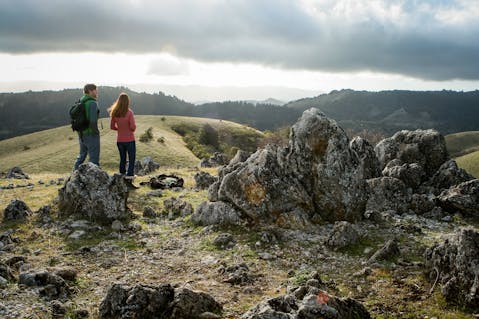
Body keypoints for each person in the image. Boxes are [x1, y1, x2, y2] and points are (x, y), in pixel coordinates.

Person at [108, 92, 137, 181]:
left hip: (120, 140)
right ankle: (130, 175)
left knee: (122, 158)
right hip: (130, 140)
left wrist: (120, 129)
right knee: (131, 158)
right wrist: (131, 128)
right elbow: (132, 127)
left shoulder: (115, 112)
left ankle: (122, 173)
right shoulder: (129, 113)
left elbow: (112, 127)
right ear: (127, 102)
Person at [73, 83, 100, 170]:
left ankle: (74, 175)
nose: (97, 92)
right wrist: (96, 132)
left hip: (81, 133)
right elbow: (93, 121)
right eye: (95, 90)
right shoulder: (92, 103)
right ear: (90, 91)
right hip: (91, 134)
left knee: (81, 156)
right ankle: (94, 178)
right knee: (94, 159)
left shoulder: (81, 101)